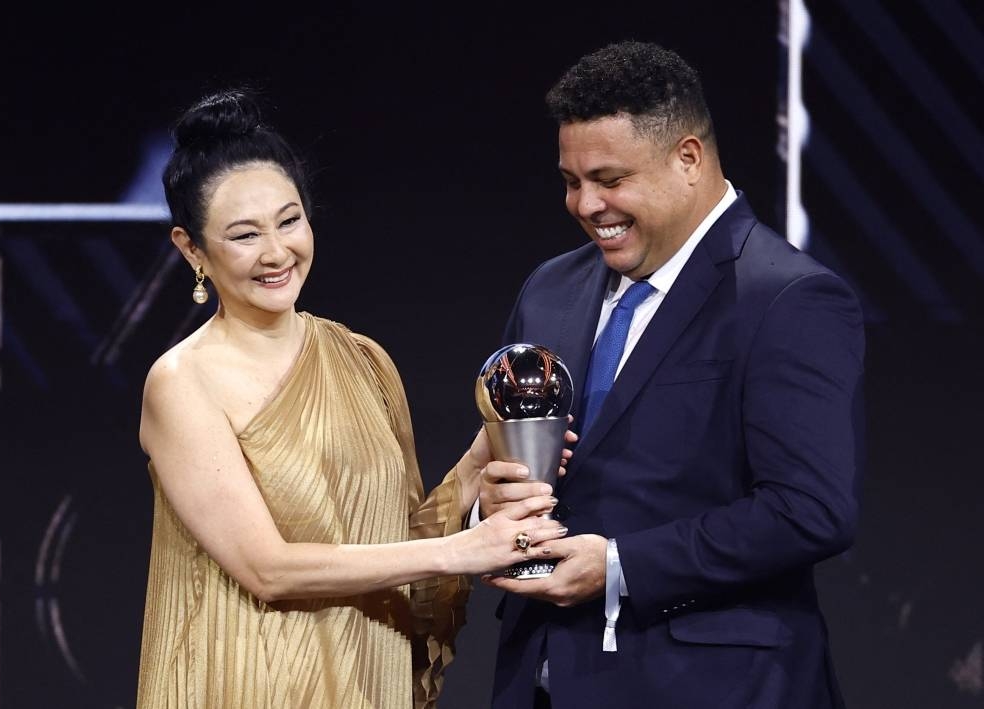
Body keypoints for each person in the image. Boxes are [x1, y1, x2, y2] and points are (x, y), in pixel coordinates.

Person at [135, 89, 568, 709]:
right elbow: (267, 568)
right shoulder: (182, 382)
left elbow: (404, 538)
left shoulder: (363, 359)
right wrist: (463, 550)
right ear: (191, 249)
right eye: (243, 235)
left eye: (290, 221)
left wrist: (480, 463)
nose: (277, 252)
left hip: (366, 680)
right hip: (243, 682)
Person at [478, 41, 865, 708]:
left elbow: (810, 510)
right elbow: (528, 467)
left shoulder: (787, 298)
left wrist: (619, 567)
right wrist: (498, 496)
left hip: (713, 687)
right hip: (539, 678)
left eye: (610, 178)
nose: (585, 203)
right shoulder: (549, 289)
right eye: (571, 180)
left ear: (688, 158)